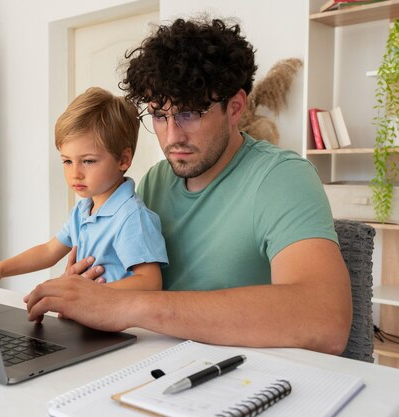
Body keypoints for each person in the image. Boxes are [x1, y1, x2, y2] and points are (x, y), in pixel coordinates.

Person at [24, 17, 352, 355]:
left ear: (235, 107)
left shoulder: (282, 178)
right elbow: (122, 281)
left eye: (189, 113)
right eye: (159, 115)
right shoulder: (154, 181)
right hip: (149, 362)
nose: (172, 136)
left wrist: (126, 306)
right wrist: (89, 288)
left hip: (239, 378)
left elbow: (324, 320)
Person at [0, 87, 168, 290]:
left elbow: (150, 282)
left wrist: (88, 293)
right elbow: (48, 251)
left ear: (123, 160)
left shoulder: (131, 217)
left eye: (88, 161)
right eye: (67, 161)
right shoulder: (82, 212)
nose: (75, 173)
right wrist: (0, 269)